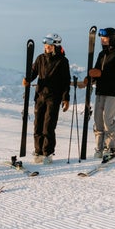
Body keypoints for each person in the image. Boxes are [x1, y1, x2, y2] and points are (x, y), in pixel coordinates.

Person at [22, 33, 71, 164]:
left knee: (48, 126)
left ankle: (47, 153)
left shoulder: (62, 61)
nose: (47, 47)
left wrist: (66, 98)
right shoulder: (40, 59)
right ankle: (38, 152)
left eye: (50, 45)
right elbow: (33, 72)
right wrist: (27, 79)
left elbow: (66, 81)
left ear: (55, 46)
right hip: (40, 96)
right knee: (37, 125)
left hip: (53, 97)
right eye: (45, 45)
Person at [88, 26, 115, 160]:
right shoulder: (101, 54)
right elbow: (97, 70)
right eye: (101, 39)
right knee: (98, 119)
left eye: (105, 39)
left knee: (107, 119)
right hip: (100, 90)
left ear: (112, 39)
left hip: (113, 91)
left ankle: (110, 147)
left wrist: (101, 74)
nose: (102, 41)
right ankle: (99, 148)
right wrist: (91, 78)